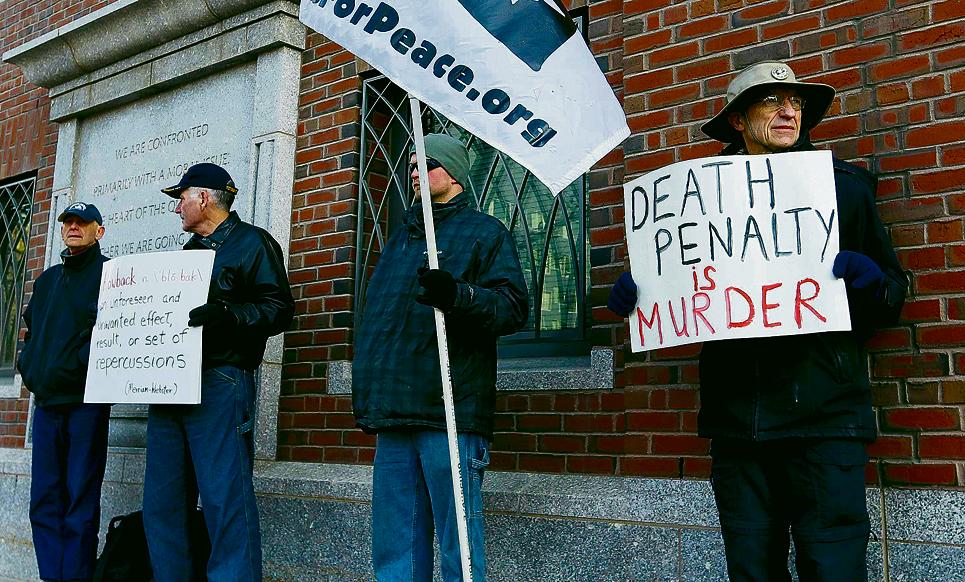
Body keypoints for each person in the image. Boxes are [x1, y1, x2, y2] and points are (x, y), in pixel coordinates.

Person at [608, 61, 908, 581]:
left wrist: (871, 282)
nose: (789, 109)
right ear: (739, 122)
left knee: (833, 565)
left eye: (796, 102)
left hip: (825, 418)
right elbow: (684, 287)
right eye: (772, 101)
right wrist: (642, 294)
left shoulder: (844, 191)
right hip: (738, 424)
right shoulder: (693, 203)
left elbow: (893, 294)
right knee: (751, 570)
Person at [352, 133, 528, 581]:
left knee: (460, 545)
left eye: (425, 164)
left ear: (453, 173)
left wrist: (459, 295)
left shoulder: (484, 233)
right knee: (395, 546)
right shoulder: (401, 239)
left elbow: (511, 308)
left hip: (450, 411)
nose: (413, 171)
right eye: (410, 164)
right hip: (396, 412)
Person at [143, 163, 294, 582]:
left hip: (220, 381)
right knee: (163, 502)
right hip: (172, 383)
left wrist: (227, 314)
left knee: (225, 498)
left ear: (204, 197)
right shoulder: (188, 254)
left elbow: (279, 308)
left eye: (181, 198)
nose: (177, 208)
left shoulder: (252, 244)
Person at [17, 201, 111, 582]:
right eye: (68, 222)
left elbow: (111, 335)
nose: (74, 227)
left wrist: (78, 364)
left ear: (98, 231)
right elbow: (30, 333)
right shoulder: (47, 280)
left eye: (82, 222)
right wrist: (29, 368)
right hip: (48, 405)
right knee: (44, 500)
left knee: (79, 501)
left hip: (86, 406)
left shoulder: (111, 275)